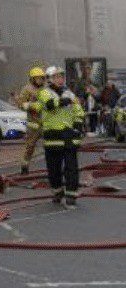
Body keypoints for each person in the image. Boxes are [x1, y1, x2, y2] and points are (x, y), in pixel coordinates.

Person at [37, 65, 85, 206]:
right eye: (57, 77)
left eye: (62, 76)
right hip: (52, 136)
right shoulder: (44, 93)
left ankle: (71, 195)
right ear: (50, 79)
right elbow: (50, 105)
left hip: (68, 135)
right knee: (54, 169)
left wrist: (77, 128)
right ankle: (57, 192)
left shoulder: (69, 94)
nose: (60, 79)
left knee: (71, 167)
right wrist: (65, 100)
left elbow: (79, 112)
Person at [16, 66, 46, 175]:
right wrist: (31, 106)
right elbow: (21, 104)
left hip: (45, 123)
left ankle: (53, 166)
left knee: (51, 145)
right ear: (32, 79)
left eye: (41, 78)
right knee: (30, 147)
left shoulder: (45, 90)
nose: (40, 80)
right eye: (37, 78)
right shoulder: (27, 89)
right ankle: (24, 165)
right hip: (33, 123)